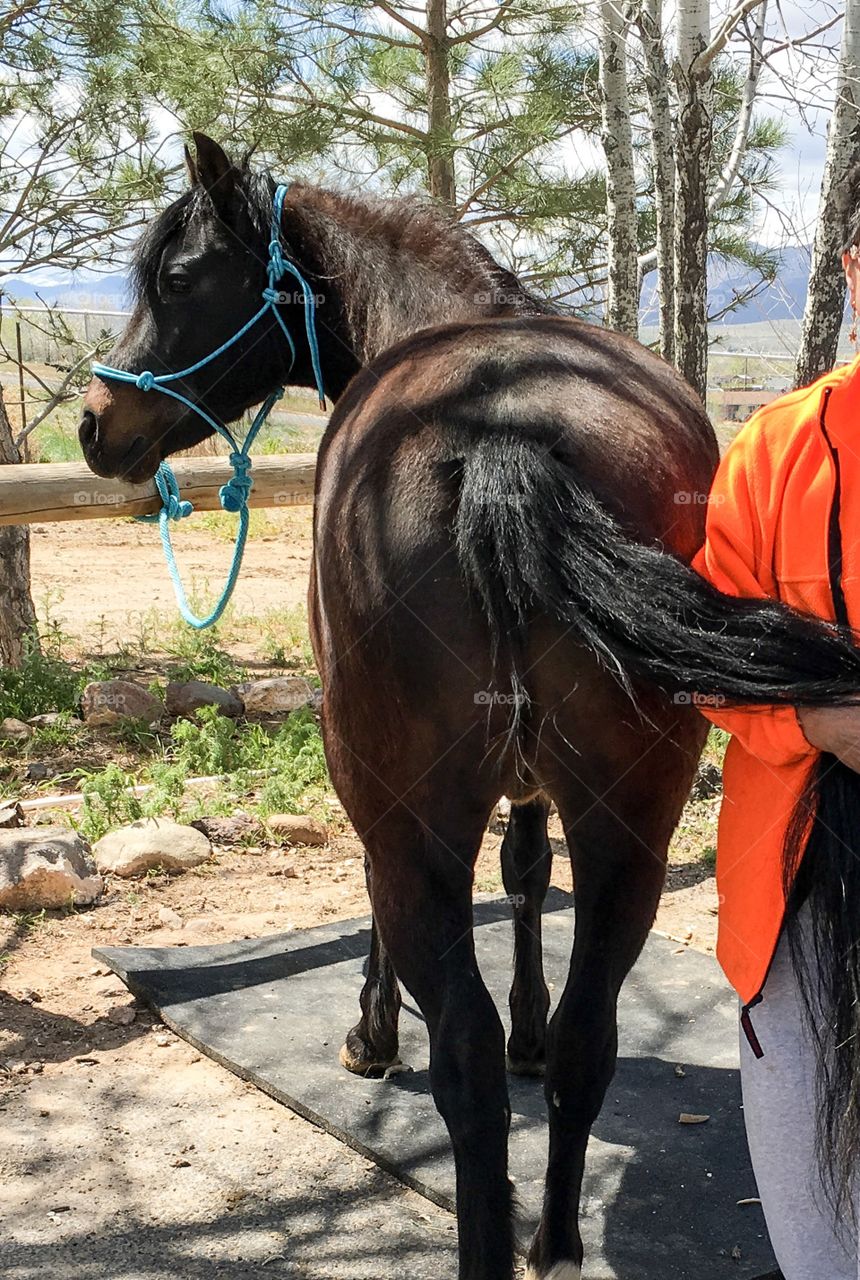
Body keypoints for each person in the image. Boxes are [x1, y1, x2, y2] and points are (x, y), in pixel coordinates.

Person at [692, 226, 860, 1280]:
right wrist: (820, 722)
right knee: (820, 1226)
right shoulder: (771, 450)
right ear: (851, 265)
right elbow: (708, 658)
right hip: (794, 897)